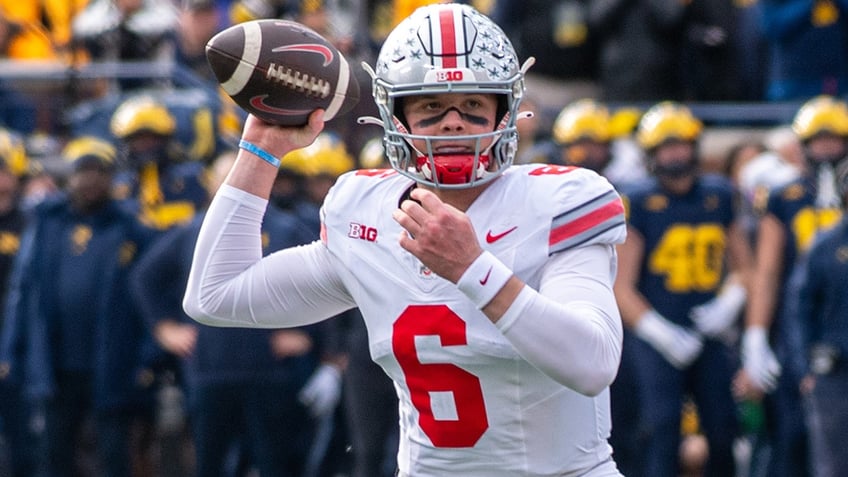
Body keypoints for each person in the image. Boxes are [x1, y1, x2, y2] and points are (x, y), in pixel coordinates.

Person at [184, 4, 628, 476]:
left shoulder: (560, 200)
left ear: (506, 110)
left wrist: (471, 268)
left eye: (474, 105)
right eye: (431, 106)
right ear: (396, 118)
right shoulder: (365, 210)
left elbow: (593, 362)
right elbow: (215, 296)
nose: (454, 123)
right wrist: (261, 149)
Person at [130, 150, 336, 477]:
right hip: (210, 367)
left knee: (275, 463)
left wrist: (309, 336)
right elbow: (145, 278)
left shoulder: (285, 227)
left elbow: (324, 279)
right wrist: (164, 329)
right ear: (212, 184)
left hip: (269, 371)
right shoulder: (194, 231)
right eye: (224, 177)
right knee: (209, 463)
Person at [2, 135, 157, 477]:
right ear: (67, 177)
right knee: (53, 454)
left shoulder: (132, 229)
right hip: (56, 365)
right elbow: (24, 291)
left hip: (114, 362)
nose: (90, 180)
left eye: (99, 171)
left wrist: (148, 356)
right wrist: (11, 349)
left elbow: (151, 298)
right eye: (82, 171)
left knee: (114, 455)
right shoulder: (47, 223)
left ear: (112, 178)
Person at [613, 101, 751, 477]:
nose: (677, 154)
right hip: (657, 332)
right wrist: (660, 332)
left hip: (710, 329)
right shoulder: (639, 200)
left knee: (723, 427)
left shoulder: (719, 194)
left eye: (683, 144)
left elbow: (744, 266)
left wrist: (731, 300)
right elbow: (621, 286)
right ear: (651, 153)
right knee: (660, 427)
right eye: (667, 147)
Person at [740, 94, 848, 477]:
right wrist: (755, 334)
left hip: (838, 313)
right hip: (799, 319)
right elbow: (767, 272)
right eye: (819, 141)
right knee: (792, 433)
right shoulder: (786, 196)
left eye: (834, 140)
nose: (827, 150)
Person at [790, 158, 848, 477]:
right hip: (837, 370)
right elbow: (800, 309)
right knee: (833, 463)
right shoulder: (825, 246)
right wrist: (804, 368)